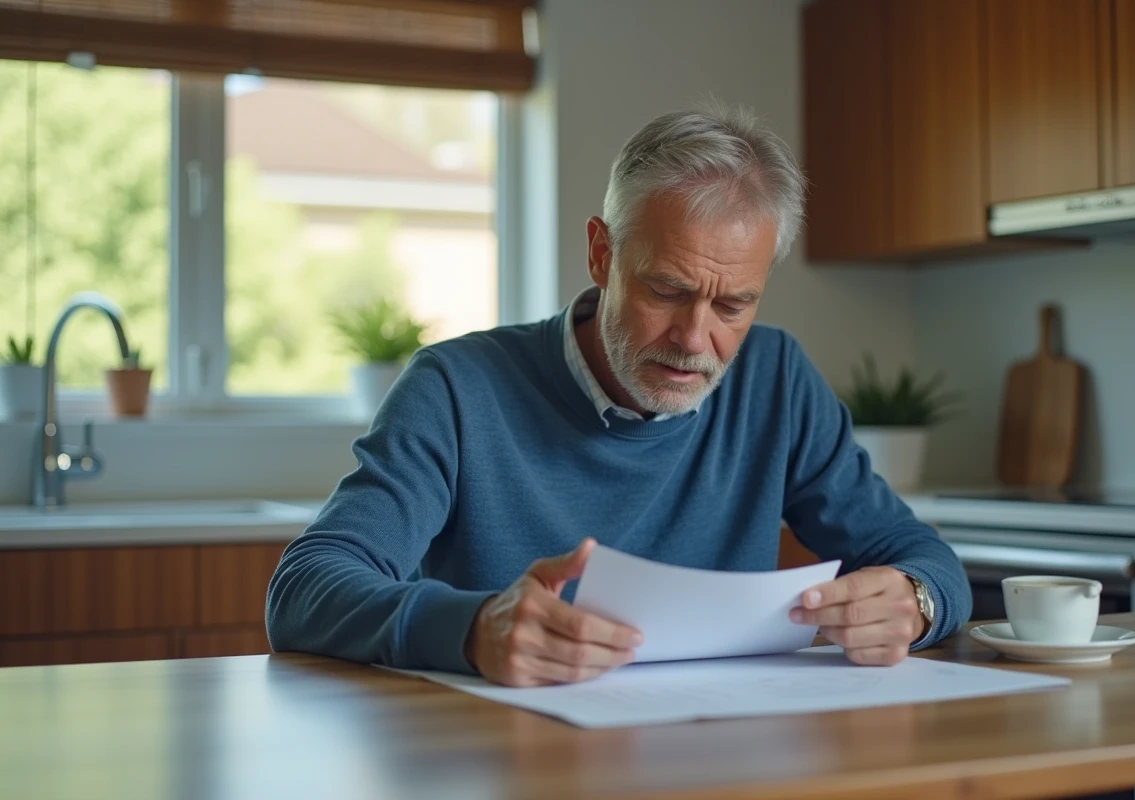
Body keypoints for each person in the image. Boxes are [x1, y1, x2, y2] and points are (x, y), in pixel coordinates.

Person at [266, 104, 971, 687]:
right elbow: (303, 589)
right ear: (602, 253)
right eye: (668, 290)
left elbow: (922, 556)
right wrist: (473, 628)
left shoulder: (775, 377)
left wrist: (916, 598)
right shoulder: (456, 388)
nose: (696, 339)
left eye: (733, 306)